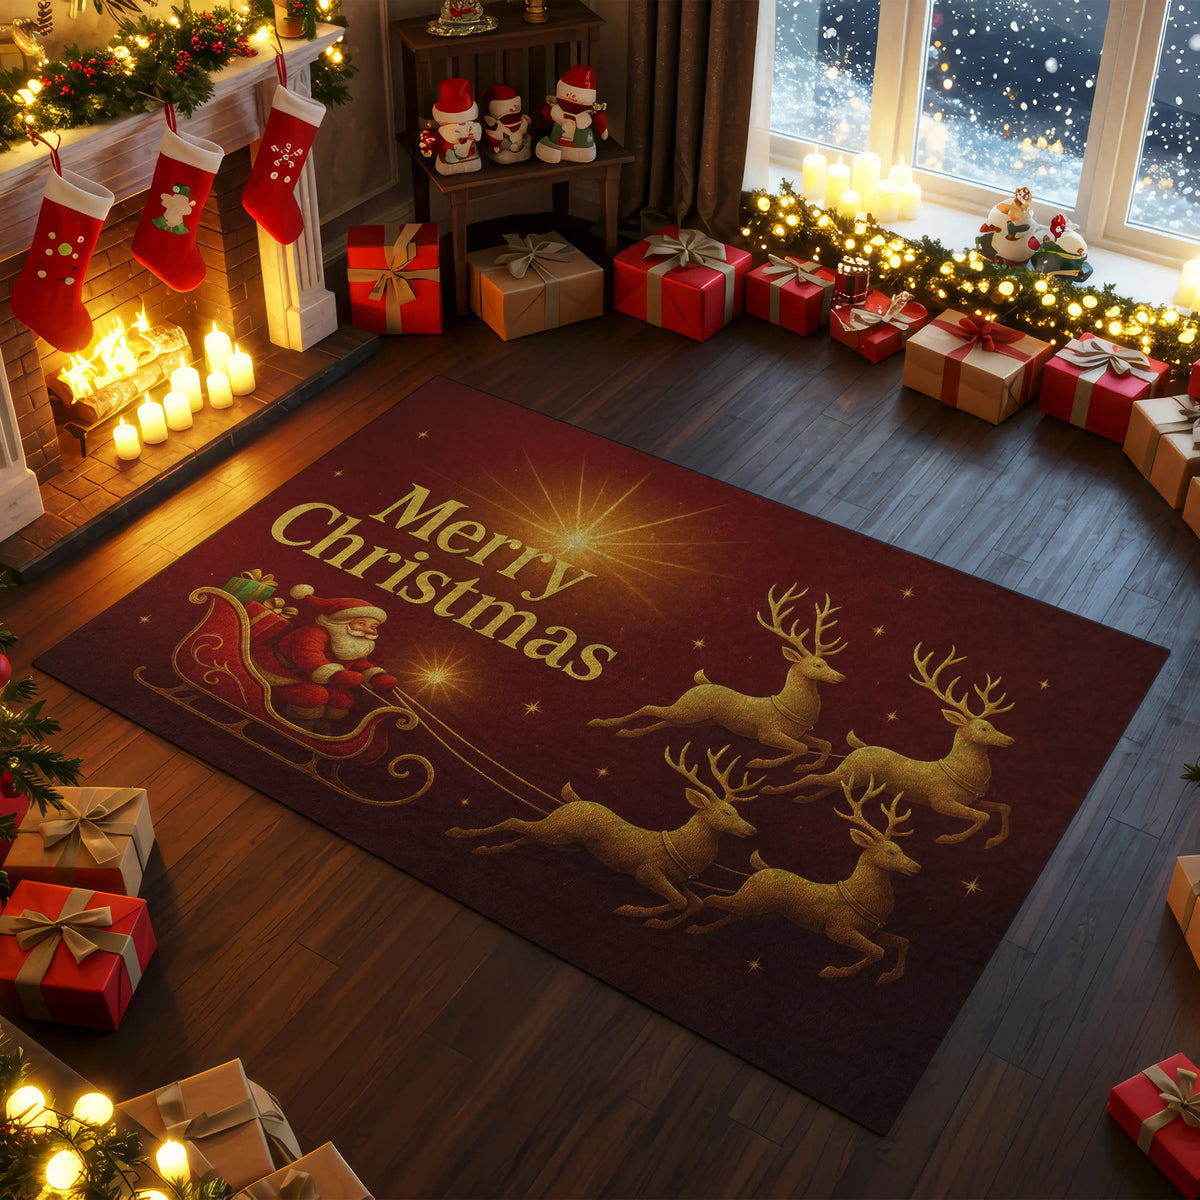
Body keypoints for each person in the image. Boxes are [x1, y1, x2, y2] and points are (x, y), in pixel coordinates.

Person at [253, 584, 398, 730]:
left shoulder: (353, 644)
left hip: (311, 677)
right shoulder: (315, 632)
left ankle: (324, 728)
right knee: (313, 695)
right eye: (362, 623)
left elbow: (359, 663)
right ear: (342, 622)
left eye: (373, 626)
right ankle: (299, 727)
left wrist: (374, 676)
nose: (368, 630)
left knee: (342, 699)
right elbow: (307, 656)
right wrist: (336, 675)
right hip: (279, 672)